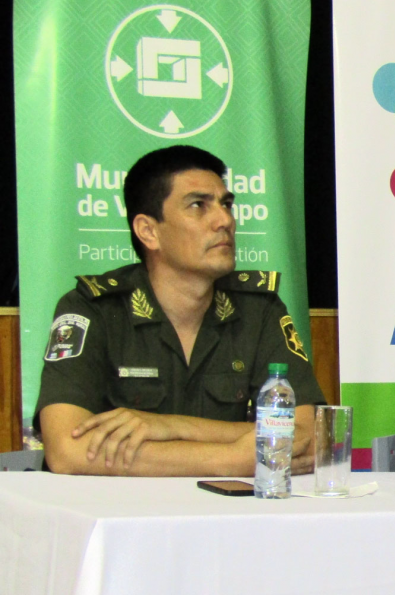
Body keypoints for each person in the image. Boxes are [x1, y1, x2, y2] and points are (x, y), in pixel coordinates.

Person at [35, 145, 325, 476]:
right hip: (118, 507)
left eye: (226, 204)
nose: (225, 220)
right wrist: (228, 459)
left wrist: (171, 426)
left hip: (222, 507)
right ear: (148, 231)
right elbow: (67, 451)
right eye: (198, 205)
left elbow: (309, 438)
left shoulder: (259, 310)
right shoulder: (91, 308)